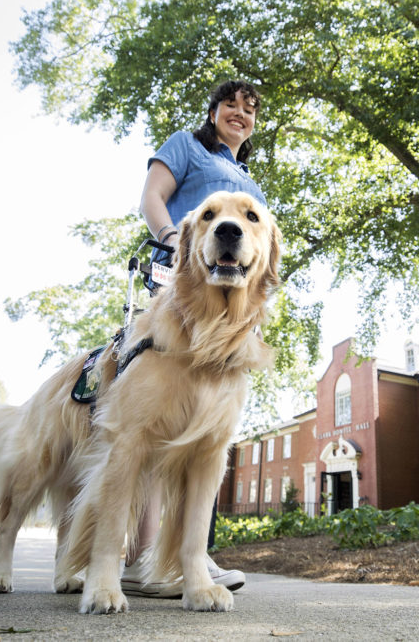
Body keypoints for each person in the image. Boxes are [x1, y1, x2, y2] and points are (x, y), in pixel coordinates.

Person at [120, 80, 265, 597]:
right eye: (231, 104)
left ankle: (191, 559)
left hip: (230, 316)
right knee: (151, 425)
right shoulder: (185, 145)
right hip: (177, 293)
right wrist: (168, 242)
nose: (240, 113)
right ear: (213, 111)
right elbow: (152, 197)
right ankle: (138, 560)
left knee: (206, 434)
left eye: (250, 109)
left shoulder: (250, 183)